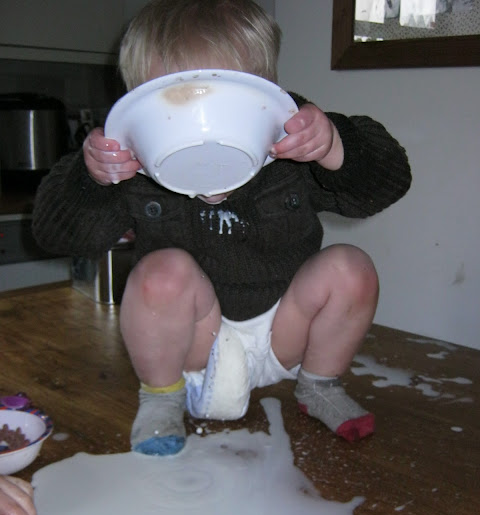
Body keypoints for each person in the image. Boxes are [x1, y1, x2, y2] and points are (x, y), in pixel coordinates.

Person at [32, 0, 411, 456]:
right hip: (192, 342)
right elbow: (55, 235)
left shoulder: (291, 145)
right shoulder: (132, 166)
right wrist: (91, 179)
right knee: (162, 273)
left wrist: (334, 145)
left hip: (286, 329)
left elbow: (389, 183)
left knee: (352, 267)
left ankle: (319, 383)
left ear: (264, 94)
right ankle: (161, 396)